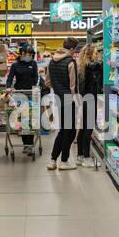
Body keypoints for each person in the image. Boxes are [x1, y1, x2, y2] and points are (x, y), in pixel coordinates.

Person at [45, 37, 79, 170]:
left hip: (58, 98)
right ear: (71, 48)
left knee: (63, 130)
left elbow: (47, 82)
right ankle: (64, 161)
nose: (75, 51)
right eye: (75, 49)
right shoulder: (71, 62)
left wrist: (58, 88)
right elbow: (73, 87)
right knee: (69, 132)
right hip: (69, 100)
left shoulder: (51, 62)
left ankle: (53, 160)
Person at [6, 43, 38, 156]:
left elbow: (36, 78)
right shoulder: (15, 65)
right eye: (29, 54)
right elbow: (10, 79)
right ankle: (26, 145)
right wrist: (8, 87)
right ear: (22, 54)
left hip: (30, 94)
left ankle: (30, 144)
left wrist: (34, 89)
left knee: (30, 119)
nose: (30, 57)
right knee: (23, 119)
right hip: (19, 94)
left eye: (31, 55)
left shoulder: (33, 63)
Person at [76, 44, 103, 168]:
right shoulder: (93, 66)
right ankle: (87, 158)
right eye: (96, 53)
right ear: (90, 54)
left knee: (83, 128)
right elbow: (100, 77)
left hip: (84, 99)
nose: (98, 55)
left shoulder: (82, 66)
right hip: (90, 99)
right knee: (88, 129)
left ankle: (80, 156)